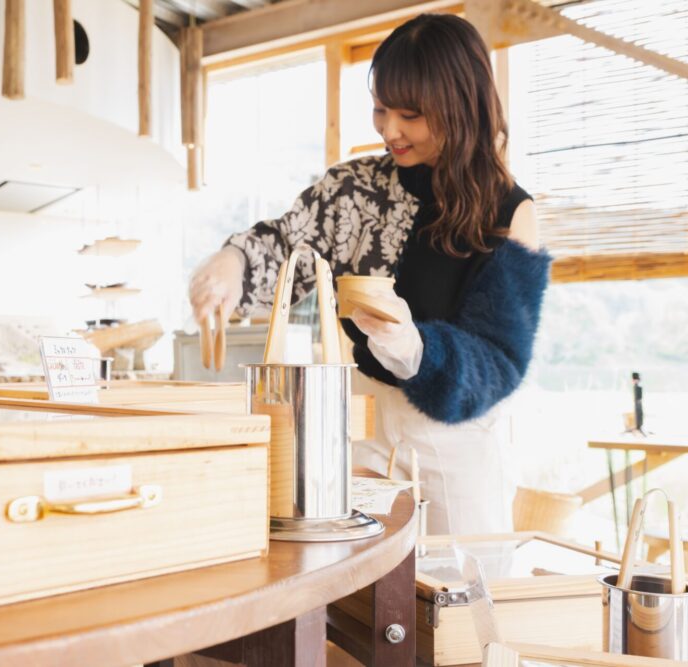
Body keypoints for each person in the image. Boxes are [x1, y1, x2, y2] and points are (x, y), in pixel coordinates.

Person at [188, 13, 551, 536]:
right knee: (354, 589)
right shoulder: (353, 189)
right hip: (357, 422)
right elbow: (285, 245)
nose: (388, 130)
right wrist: (231, 265)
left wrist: (417, 349)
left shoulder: (509, 211)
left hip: (456, 437)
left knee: (462, 596)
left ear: (461, 108)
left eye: (410, 114)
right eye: (380, 109)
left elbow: (501, 359)